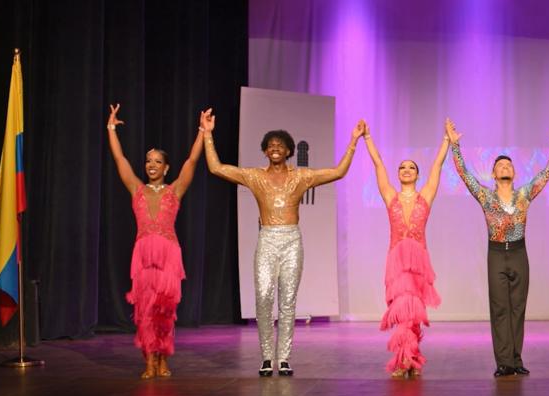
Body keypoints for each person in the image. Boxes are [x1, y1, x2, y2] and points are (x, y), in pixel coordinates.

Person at [202, 111, 365, 377]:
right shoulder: (254, 176)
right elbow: (217, 168)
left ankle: (285, 358)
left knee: (288, 302)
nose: (275, 147)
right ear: (265, 151)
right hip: (267, 238)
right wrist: (208, 134)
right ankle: (267, 357)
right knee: (264, 298)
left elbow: (338, 172)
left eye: (280, 145)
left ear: (289, 150)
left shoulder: (300, 177)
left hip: (291, 240)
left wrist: (353, 141)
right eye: (271, 145)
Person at [446, 119, 549, 378]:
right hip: (497, 254)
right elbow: (465, 174)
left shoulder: (524, 194)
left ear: (514, 172)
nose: (505, 166)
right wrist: (455, 146)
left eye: (509, 164)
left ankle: (516, 358)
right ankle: (503, 362)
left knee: (518, 308)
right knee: (500, 308)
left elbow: (546, 174)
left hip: (519, 253)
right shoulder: (486, 196)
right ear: (493, 174)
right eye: (500, 164)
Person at [106, 104, 207, 379]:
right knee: (145, 310)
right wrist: (111, 128)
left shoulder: (175, 190)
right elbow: (119, 160)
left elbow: (192, 162)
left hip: (168, 255)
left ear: (166, 167)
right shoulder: (136, 189)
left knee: (164, 311)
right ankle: (149, 361)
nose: (151, 165)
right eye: (148, 161)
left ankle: (163, 359)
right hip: (143, 255)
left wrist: (202, 131)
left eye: (157, 161)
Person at [363, 123, 449, 378]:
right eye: (402, 167)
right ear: (398, 174)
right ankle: (404, 361)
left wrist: (446, 139)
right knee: (402, 310)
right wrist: (367, 137)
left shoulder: (426, 196)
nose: (407, 170)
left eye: (412, 167)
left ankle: (412, 357)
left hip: (419, 261)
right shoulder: (390, 195)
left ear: (417, 175)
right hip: (397, 260)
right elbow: (378, 164)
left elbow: (437, 167)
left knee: (413, 313)